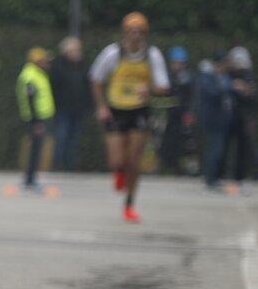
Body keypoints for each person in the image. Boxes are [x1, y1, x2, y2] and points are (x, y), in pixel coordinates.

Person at [89, 13, 169, 223]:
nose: (135, 36)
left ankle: (129, 204)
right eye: (131, 31)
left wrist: (149, 89)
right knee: (116, 161)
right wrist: (101, 107)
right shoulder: (112, 53)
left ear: (144, 34)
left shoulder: (152, 55)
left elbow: (163, 86)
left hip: (139, 110)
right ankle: (119, 172)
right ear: (124, 33)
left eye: (139, 32)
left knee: (134, 161)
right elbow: (96, 78)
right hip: (116, 109)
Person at [49, 36, 91, 173]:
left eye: (78, 50)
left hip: (78, 108)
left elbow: (88, 87)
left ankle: (70, 166)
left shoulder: (84, 66)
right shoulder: (58, 66)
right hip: (62, 108)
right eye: (74, 50)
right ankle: (57, 166)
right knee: (61, 136)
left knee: (74, 138)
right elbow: (54, 88)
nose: (78, 53)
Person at [15, 47, 54, 191]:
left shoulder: (37, 73)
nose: (46, 62)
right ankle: (29, 180)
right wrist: (36, 122)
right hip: (36, 119)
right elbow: (30, 99)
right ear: (36, 61)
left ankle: (31, 179)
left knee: (36, 150)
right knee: (34, 151)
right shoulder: (30, 75)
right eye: (43, 60)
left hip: (40, 118)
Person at [224, 45, 258, 190]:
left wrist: (245, 90)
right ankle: (224, 176)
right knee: (224, 147)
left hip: (244, 117)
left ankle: (242, 176)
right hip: (229, 117)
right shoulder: (228, 75)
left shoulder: (248, 76)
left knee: (244, 149)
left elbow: (254, 97)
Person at [198, 52, 235, 190]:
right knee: (214, 149)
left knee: (220, 150)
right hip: (212, 120)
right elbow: (213, 93)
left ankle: (217, 177)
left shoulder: (225, 77)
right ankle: (210, 179)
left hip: (223, 120)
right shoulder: (207, 77)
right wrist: (229, 87)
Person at [157, 46, 196, 176]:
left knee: (186, 141)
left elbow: (191, 97)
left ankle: (184, 167)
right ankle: (165, 165)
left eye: (180, 63)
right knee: (165, 141)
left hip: (183, 115)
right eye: (175, 62)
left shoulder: (188, 78)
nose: (177, 65)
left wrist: (189, 113)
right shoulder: (166, 77)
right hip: (168, 115)